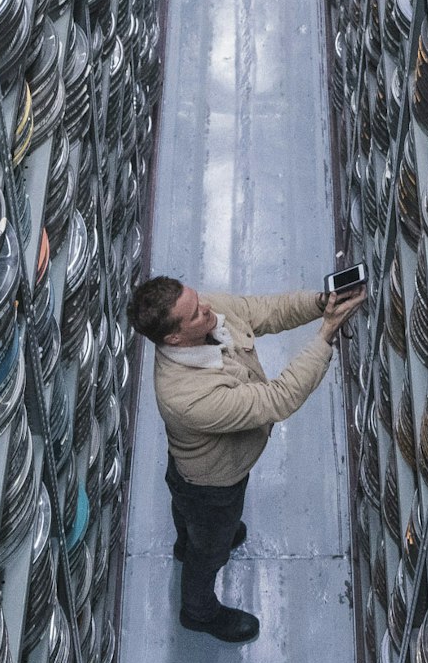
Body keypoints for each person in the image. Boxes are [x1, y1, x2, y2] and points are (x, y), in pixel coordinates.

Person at [129, 274, 365, 643]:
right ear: (174, 338)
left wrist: (322, 302)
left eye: (197, 300)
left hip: (193, 468)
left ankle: (185, 542)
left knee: (190, 514)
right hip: (212, 484)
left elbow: (261, 312)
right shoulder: (186, 396)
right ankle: (198, 611)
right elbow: (276, 400)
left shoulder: (200, 313)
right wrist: (326, 334)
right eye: (194, 313)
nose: (206, 307)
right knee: (209, 550)